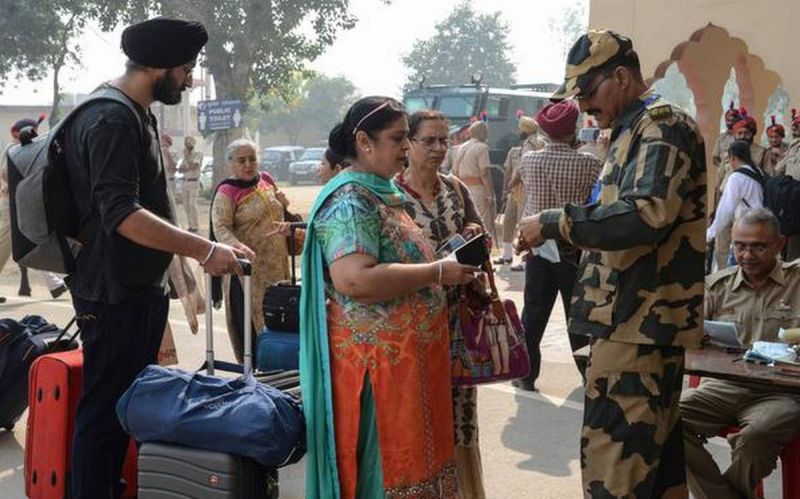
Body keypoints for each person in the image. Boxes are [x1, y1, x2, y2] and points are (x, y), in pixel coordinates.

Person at [62, 18, 252, 498]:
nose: (189, 80)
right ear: (157, 66)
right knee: (105, 412)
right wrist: (206, 248)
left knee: (125, 406)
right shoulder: (109, 118)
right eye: (185, 69)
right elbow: (122, 214)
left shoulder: (135, 111)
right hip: (111, 290)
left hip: (135, 288)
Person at [518, 29, 706, 497]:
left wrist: (555, 221)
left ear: (621, 77)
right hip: (624, 323)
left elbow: (646, 213)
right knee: (656, 476)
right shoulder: (630, 129)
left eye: (588, 91)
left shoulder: (662, 127)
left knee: (615, 475)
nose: (582, 105)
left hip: (638, 327)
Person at [300, 96, 477, 499]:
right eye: (398, 139)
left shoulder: (380, 195)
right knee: (384, 475)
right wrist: (436, 272)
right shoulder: (350, 201)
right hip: (376, 376)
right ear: (364, 141)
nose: (404, 148)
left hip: (408, 370)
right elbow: (354, 279)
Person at [394, 109, 486, 498]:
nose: (437, 148)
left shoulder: (455, 190)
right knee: (419, 416)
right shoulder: (391, 195)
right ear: (408, 144)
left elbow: (481, 232)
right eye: (428, 140)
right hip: (413, 327)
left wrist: (472, 236)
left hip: (459, 324)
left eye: (443, 140)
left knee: (461, 416)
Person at [681, 208, 800, 499]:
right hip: (722, 387)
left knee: (757, 435)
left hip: (781, 394)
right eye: (740, 245)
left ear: (779, 244)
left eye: (758, 246)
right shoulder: (716, 287)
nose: (747, 255)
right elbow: (686, 338)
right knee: (664, 420)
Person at [512, 100, 601, 391]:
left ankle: (526, 375)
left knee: (534, 311)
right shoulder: (590, 163)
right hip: (573, 245)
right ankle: (589, 377)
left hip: (537, 245)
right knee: (577, 317)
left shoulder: (529, 160)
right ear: (573, 129)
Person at [210, 138, 291, 363]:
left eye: (252, 159)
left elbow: (280, 215)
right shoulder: (227, 191)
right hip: (246, 273)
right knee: (252, 332)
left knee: (281, 325)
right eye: (241, 160)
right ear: (231, 165)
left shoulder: (266, 181)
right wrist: (238, 247)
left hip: (277, 271)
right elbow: (220, 227)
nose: (248, 165)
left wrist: (285, 205)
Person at [0, 115, 68, 300]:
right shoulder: (13, 149)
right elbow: (5, 174)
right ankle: (54, 283)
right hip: (11, 206)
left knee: (35, 239)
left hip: (25, 203)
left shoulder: (28, 148)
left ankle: (54, 284)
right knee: (6, 246)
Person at [706, 140, 765, 266]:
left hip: (745, 232)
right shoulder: (757, 171)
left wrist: (710, 234)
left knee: (736, 274)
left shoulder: (736, 177)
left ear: (732, 157)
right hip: (761, 227)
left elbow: (725, 210)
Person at [494, 116, 542, 266]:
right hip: (516, 190)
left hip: (525, 188)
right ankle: (507, 254)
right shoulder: (519, 148)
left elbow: (523, 166)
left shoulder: (532, 143)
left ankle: (525, 258)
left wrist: (512, 182)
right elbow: (509, 170)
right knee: (509, 220)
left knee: (523, 223)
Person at [452, 120, 495, 237]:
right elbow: (484, 174)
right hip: (477, 188)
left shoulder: (461, 147)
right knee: (483, 220)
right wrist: (490, 194)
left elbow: (454, 171)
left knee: (467, 220)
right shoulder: (482, 147)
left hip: (463, 187)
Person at [776, 109, 800, 261]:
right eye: (794, 125)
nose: (794, 127)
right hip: (792, 202)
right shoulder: (793, 146)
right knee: (792, 247)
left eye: (797, 125)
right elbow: (779, 169)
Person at [180, 135, 203, 232]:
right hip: (185, 181)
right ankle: (190, 225)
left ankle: (195, 226)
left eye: (189, 142)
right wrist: (186, 163)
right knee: (186, 205)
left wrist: (187, 159)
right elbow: (181, 169)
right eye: (186, 142)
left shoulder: (198, 154)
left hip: (193, 182)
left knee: (192, 204)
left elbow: (194, 166)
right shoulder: (185, 156)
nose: (187, 144)